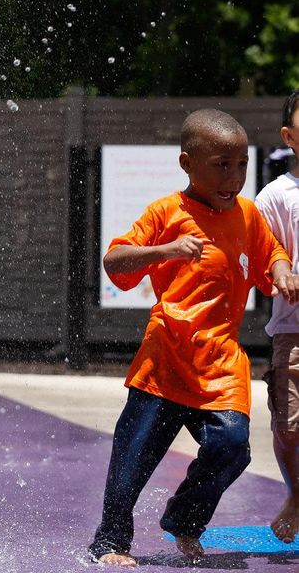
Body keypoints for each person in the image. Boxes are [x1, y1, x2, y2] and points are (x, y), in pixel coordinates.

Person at [88, 109, 299, 566]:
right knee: (132, 462)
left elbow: (271, 254)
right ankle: (111, 541)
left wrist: (282, 271)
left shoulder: (247, 214)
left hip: (221, 362)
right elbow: (115, 261)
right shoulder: (167, 212)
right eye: (221, 165)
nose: (234, 176)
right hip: (165, 359)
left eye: (241, 164)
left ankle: (184, 520)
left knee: (231, 448)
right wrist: (165, 250)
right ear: (187, 164)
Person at [254, 91, 299, 544]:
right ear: (290, 136)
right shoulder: (276, 196)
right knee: (288, 425)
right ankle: (296, 492)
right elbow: (261, 256)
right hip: (294, 328)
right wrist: (279, 272)